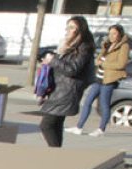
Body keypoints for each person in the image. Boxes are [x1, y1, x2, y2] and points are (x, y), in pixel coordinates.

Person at [39, 16, 95, 148]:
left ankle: (56, 154)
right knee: (56, 124)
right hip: (59, 89)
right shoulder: (69, 45)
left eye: (72, 27)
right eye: (67, 27)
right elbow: (63, 64)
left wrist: (53, 60)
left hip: (67, 91)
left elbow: (72, 69)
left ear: (80, 29)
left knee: (46, 125)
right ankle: (57, 153)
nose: (68, 31)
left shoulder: (83, 47)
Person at [67, 24, 129, 137]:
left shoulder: (124, 46)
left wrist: (104, 63)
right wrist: (97, 61)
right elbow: (99, 58)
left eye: (114, 33)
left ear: (120, 34)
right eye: (110, 33)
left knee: (104, 104)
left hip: (109, 79)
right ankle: (79, 127)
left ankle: (101, 129)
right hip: (99, 78)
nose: (111, 36)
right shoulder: (107, 45)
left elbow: (121, 64)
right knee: (87, 101)